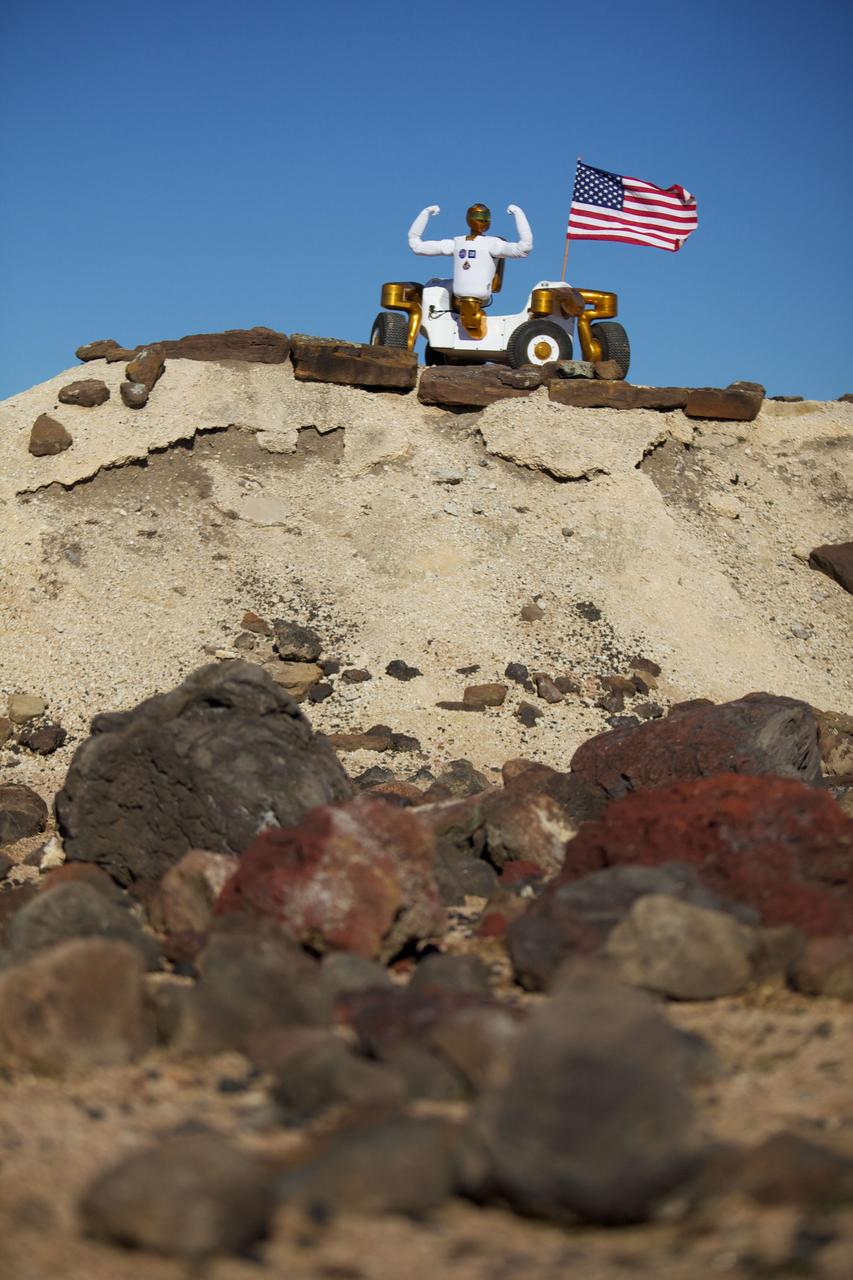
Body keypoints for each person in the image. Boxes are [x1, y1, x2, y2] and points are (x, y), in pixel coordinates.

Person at [407, 203, 533, 338]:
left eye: (486, 217)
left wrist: (518, 214)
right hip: (459, 300)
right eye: (479, 216)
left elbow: (524, 248)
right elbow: (416, 245)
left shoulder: (492, 244)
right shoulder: (457, 243)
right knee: (435, 286)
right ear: (469, 218)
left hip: (478, 300)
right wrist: (425, 214)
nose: (483, 221)